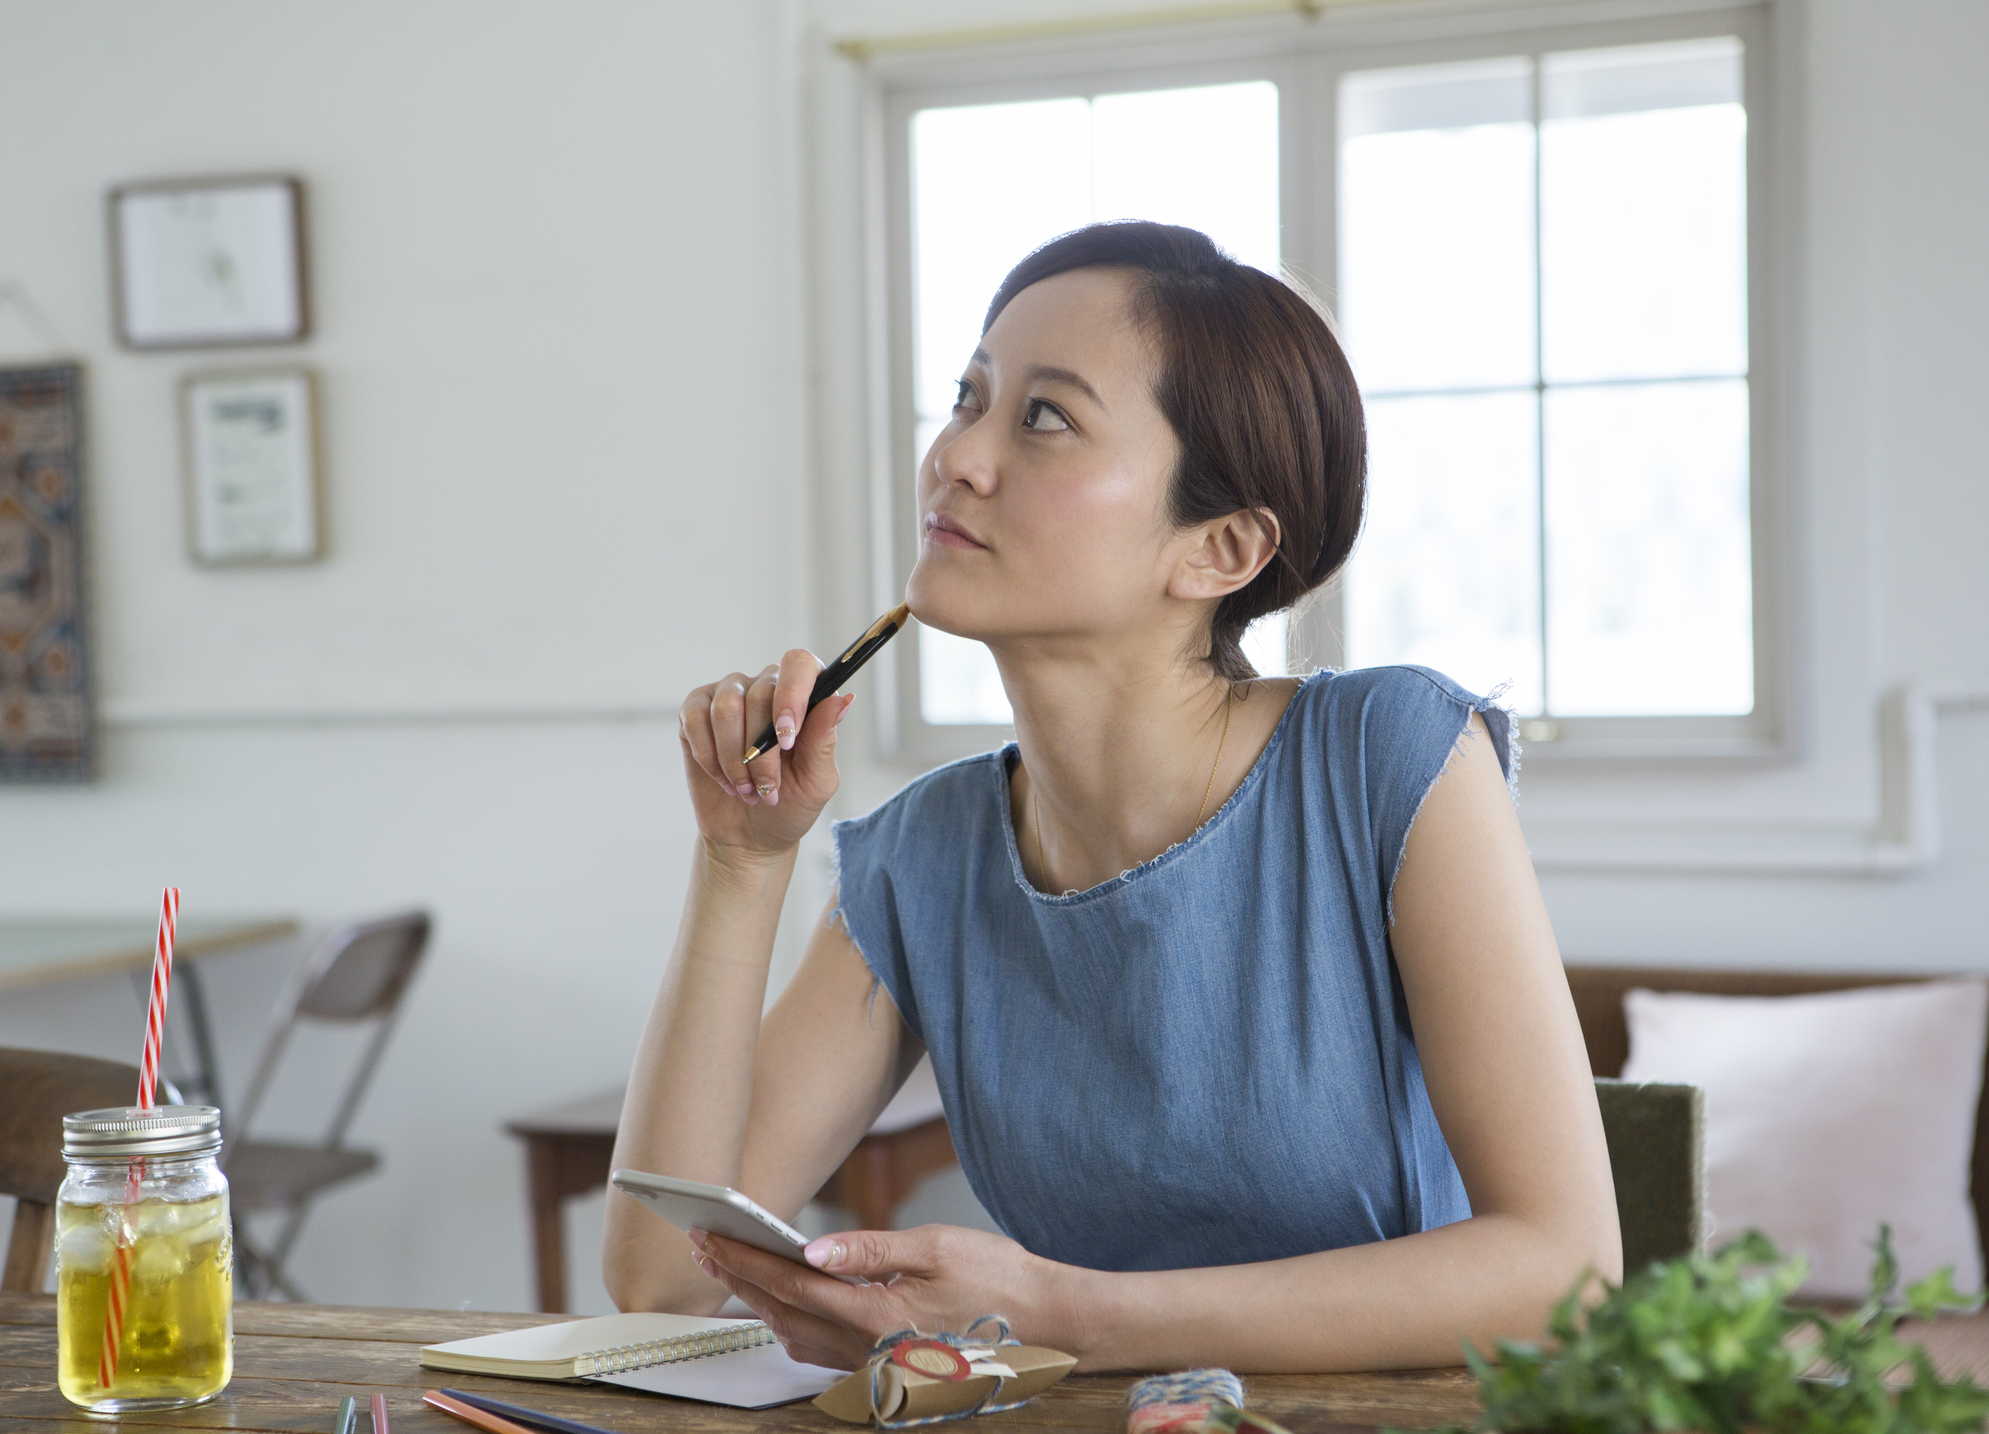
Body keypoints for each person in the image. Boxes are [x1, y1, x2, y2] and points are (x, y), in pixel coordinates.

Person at [604, 222, 1619, 1374]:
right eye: (966, 397)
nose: (957, 457)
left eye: (1043, 418)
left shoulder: (1388, 759)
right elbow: (657, 1279)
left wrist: (1055, 1314)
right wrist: (740, 863)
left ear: (1219, 549)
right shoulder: (922, 855)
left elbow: (1561, 1277)